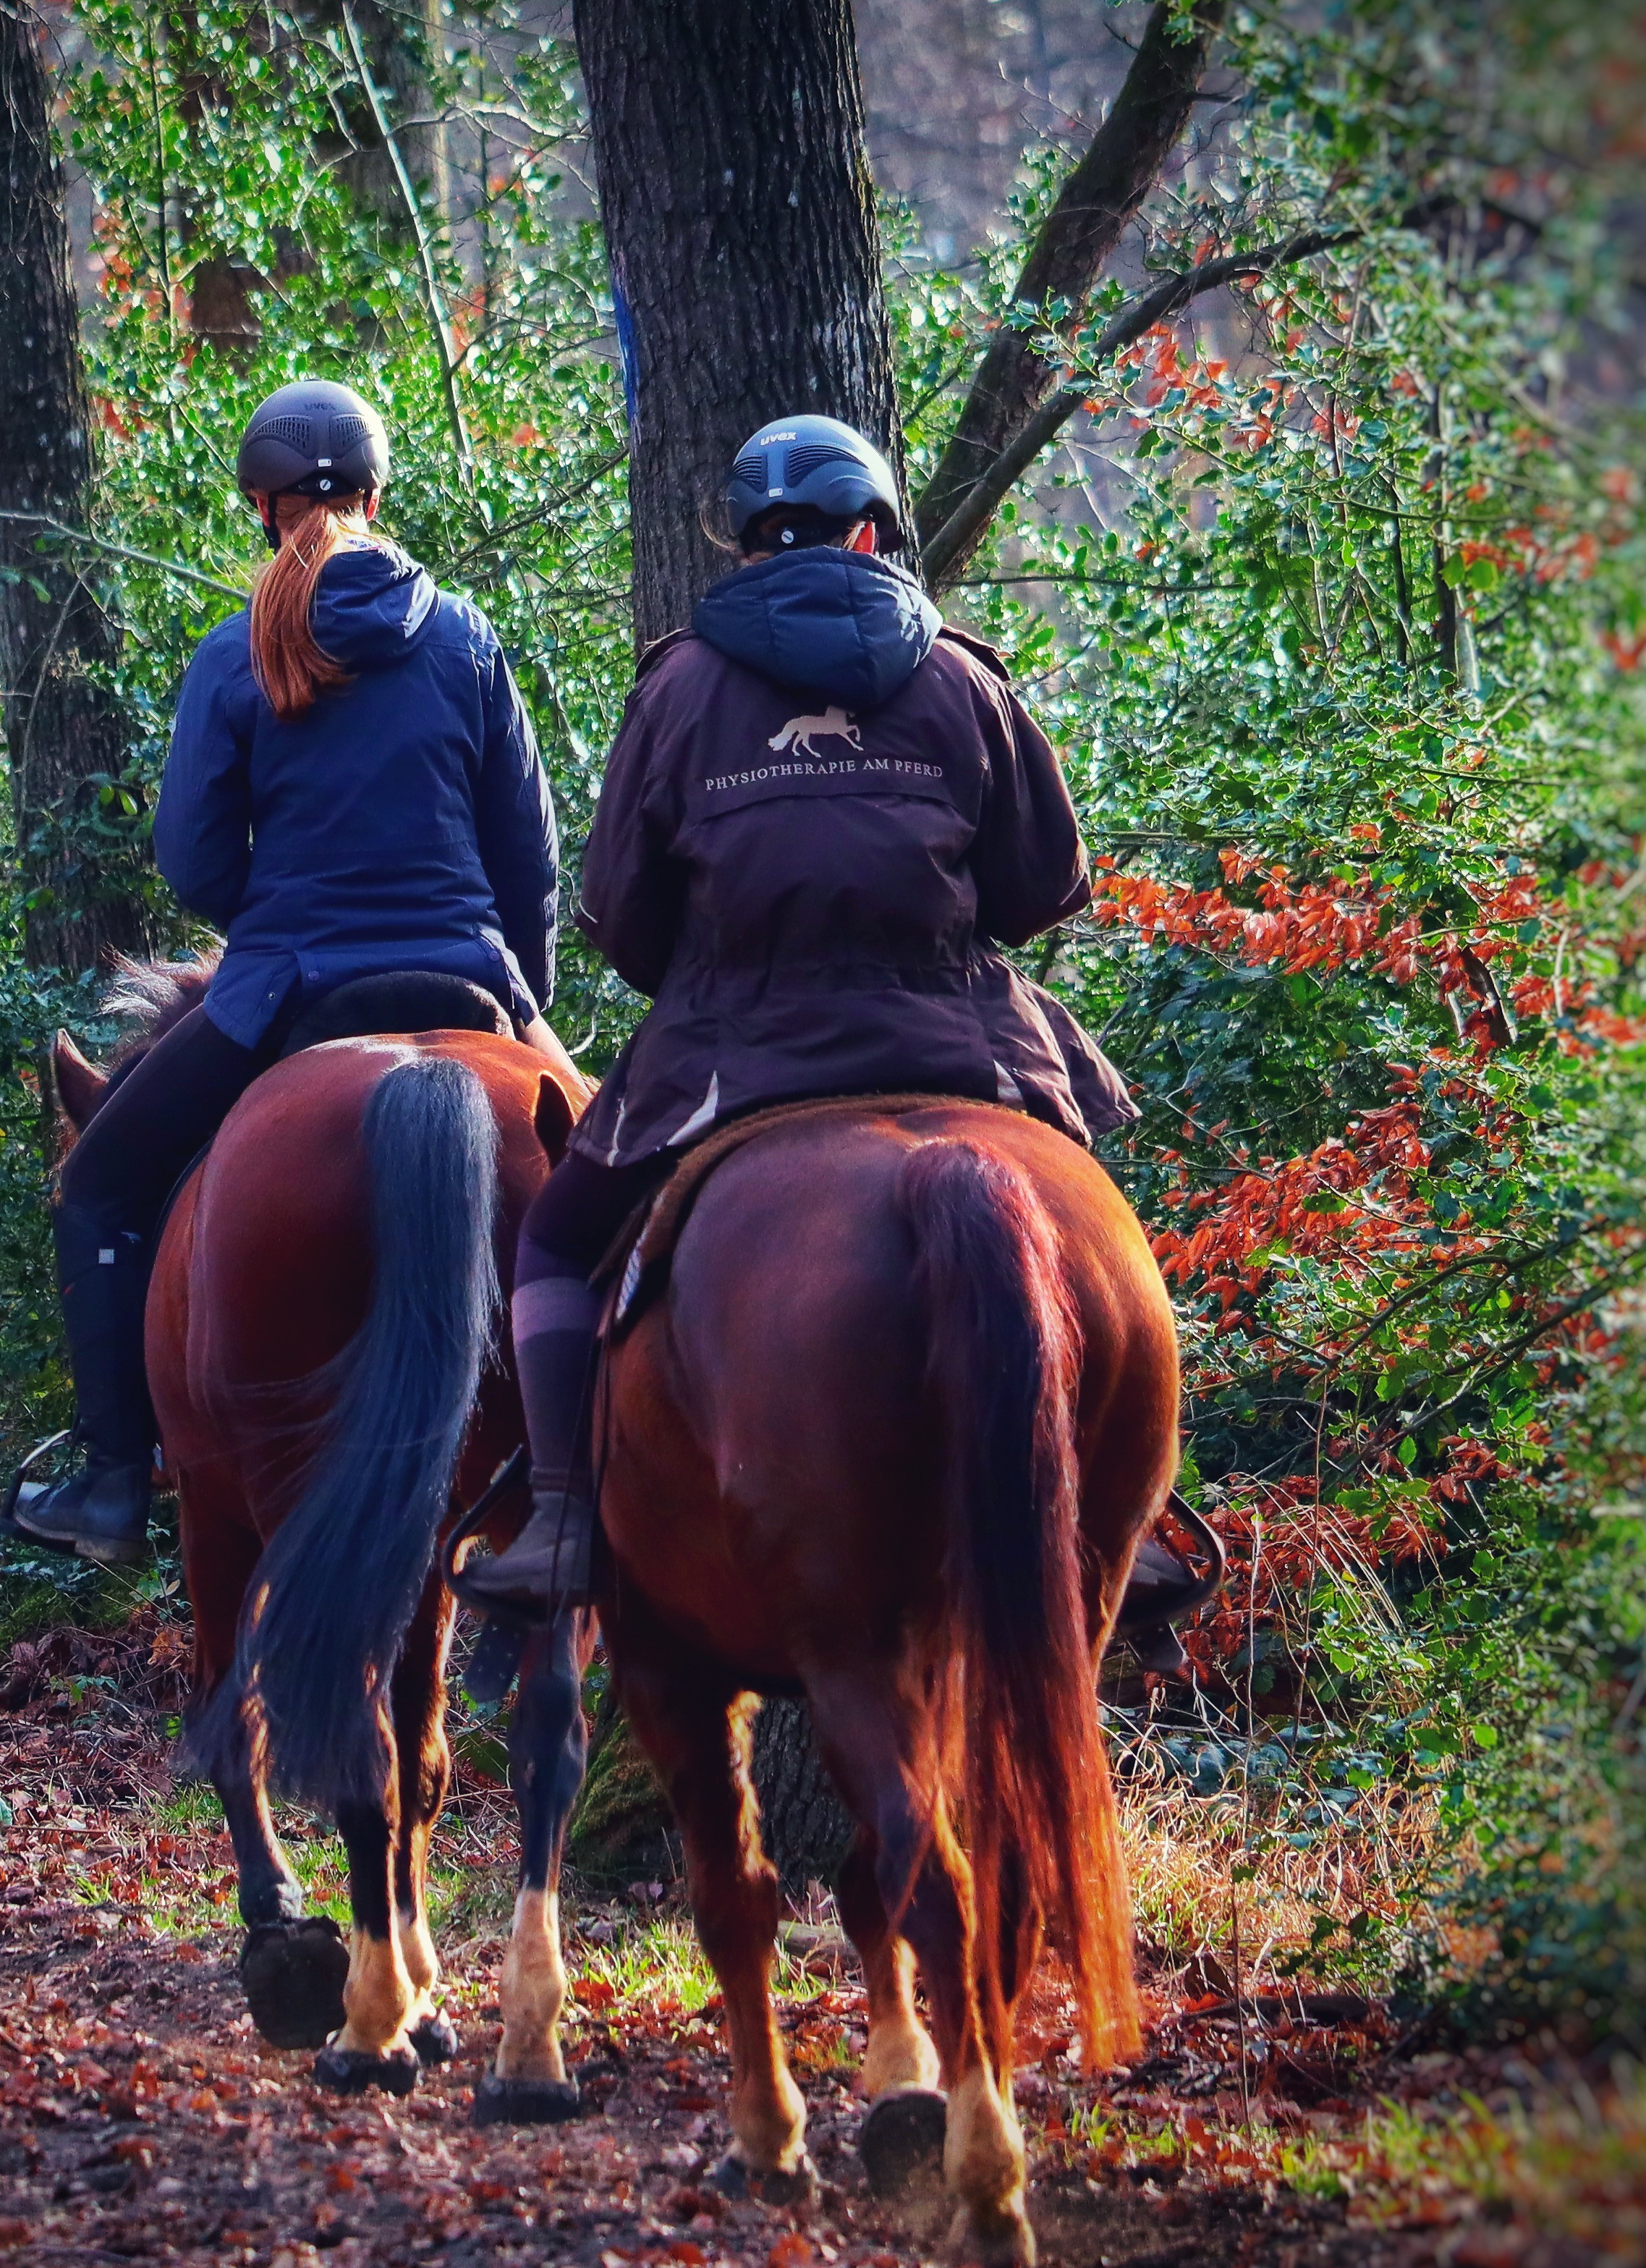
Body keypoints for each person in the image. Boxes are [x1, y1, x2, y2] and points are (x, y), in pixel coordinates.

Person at [451, 413, 1134, 1618]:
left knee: (556, 1238)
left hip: (738, 1042)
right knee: (1093, 1222)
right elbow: (1039, 892)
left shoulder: (677, 685)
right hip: (955, 1036)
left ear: (746, 546)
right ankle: (1139, 1502)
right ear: (869, 531)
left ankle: (560, 1511)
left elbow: (623, 916)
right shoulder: (964, 675)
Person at [9, 379, 563, 1555]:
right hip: (470, 981)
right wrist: (524, 996)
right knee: (631, 1182)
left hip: (288, 990)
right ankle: (600, 1474)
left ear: (260, 506)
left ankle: (112, 1483)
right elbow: (529, 852)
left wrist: (270, 920)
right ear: (377, 493)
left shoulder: (237, 650)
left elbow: (193, 856)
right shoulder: (465, 637)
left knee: (101, 1184)